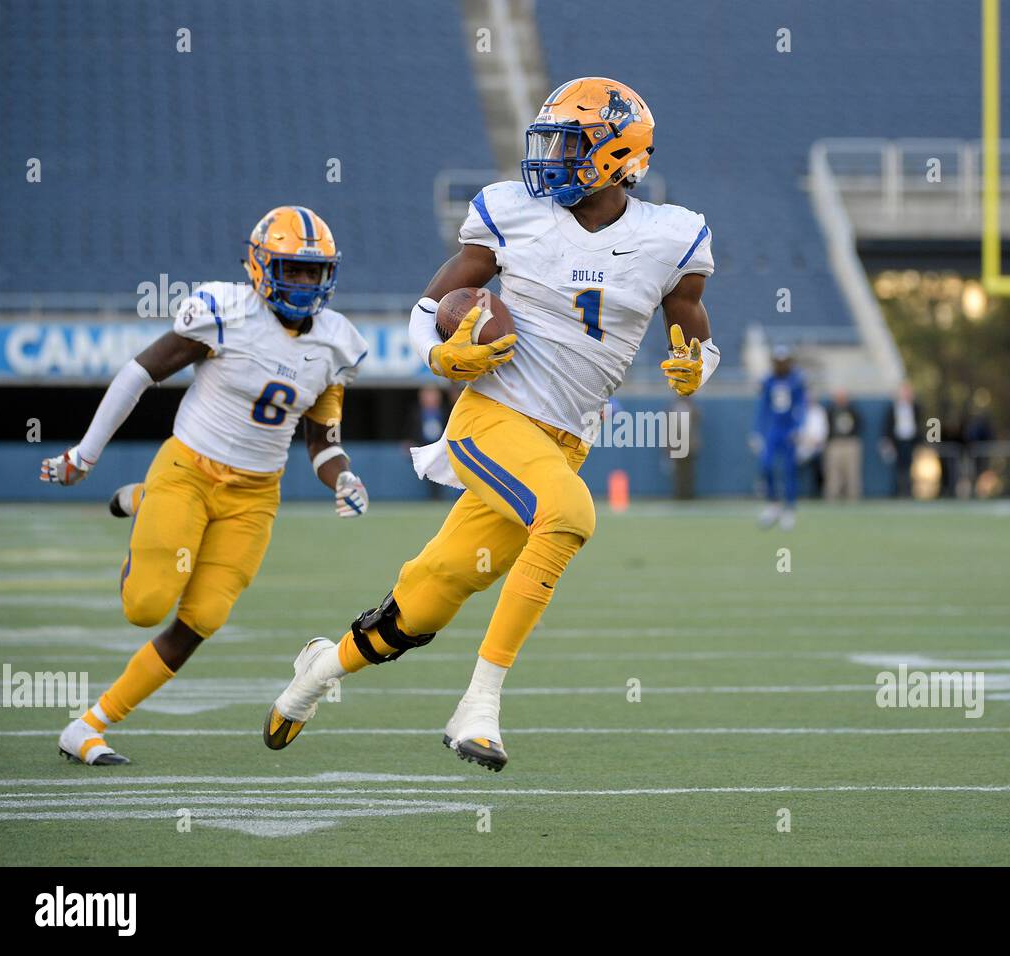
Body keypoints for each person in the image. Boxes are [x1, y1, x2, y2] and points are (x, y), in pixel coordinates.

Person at [264, 78, 718, 771]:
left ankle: (317, 672)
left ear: (617, 152)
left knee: (427, 599)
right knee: (568, 517)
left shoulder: (671, 236)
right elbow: (431, 302)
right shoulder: (515, 212)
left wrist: (698, 368)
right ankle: (479, 706)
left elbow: (696, 334)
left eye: (570, 143)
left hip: (563, 443)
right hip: (492, 415)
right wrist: (440, 351)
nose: (551, 158)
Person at [40, 206, 368, 764]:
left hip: (256, 496)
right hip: (189, 470)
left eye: (314, 273)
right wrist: (84, 454)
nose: (305, 283)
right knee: (145, 607)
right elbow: (139, 372)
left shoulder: (339, 344)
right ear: (262, 266)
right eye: (293, 269)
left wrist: (344, 477)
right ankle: (150, 498)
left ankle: (90, 725)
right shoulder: (225, 311)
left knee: (205, 618)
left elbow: (321, 441)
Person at [751, 346, 806, 530]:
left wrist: (799, 428)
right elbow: (763, 408)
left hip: (789, 429)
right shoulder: (768, 380)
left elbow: (802, 406)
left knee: (789, 470)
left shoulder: (796, 380)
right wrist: (758, 432)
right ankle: (773, 504)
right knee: (765, 465)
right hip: (773, 430)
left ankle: (789, 509)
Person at [822, 389, 860, 500]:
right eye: (838, 397)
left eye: (843, 397)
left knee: (852, 472)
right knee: (833, 473)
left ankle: (853, 497)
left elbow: (860, 425)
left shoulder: (853, 410)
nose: (841, 399)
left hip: (850, 443)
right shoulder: (830, 410)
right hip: (835, 443)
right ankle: (832, 496)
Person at [883, 382, 920, 497]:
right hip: (897, 441)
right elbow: (887, 426)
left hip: (910, 441)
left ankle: (909, 491)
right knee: (898, 467)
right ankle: (898, 491)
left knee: (909, 466)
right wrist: (887, 442)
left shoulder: (916, 408)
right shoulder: (892, 408)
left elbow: (923, 424)